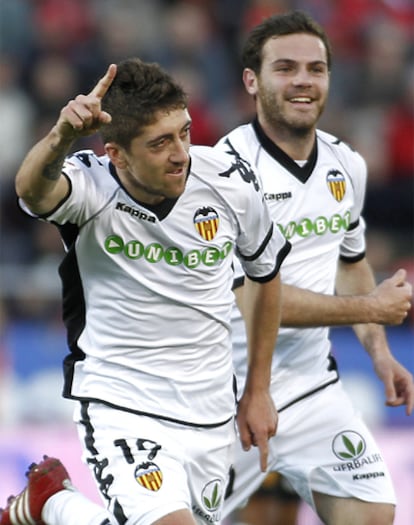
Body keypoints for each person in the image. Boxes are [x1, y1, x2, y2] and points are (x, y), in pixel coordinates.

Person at [0, 58, 291, 525]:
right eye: (160, 143)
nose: (181, 153)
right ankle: (51, 504)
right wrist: (61, 136)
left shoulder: (230, 183)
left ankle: (51, 503)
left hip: (211, 412)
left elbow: (267, 272)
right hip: (122, 401)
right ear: (117, 154)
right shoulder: (90, 187)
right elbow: (32, 192)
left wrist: (258, 390)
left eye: (185, 132)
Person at [214, 10, 414, 525]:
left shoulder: (346, 165)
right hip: (221, 393)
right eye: (286, 68)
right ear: (252, 81)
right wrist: (370, 306)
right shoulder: (224, 173)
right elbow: (254, 299)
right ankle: (49, 508)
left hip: (310, 388)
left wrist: (379, 352)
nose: (303, 80)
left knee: (372, 514)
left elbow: (351, 263)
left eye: (316, 68)